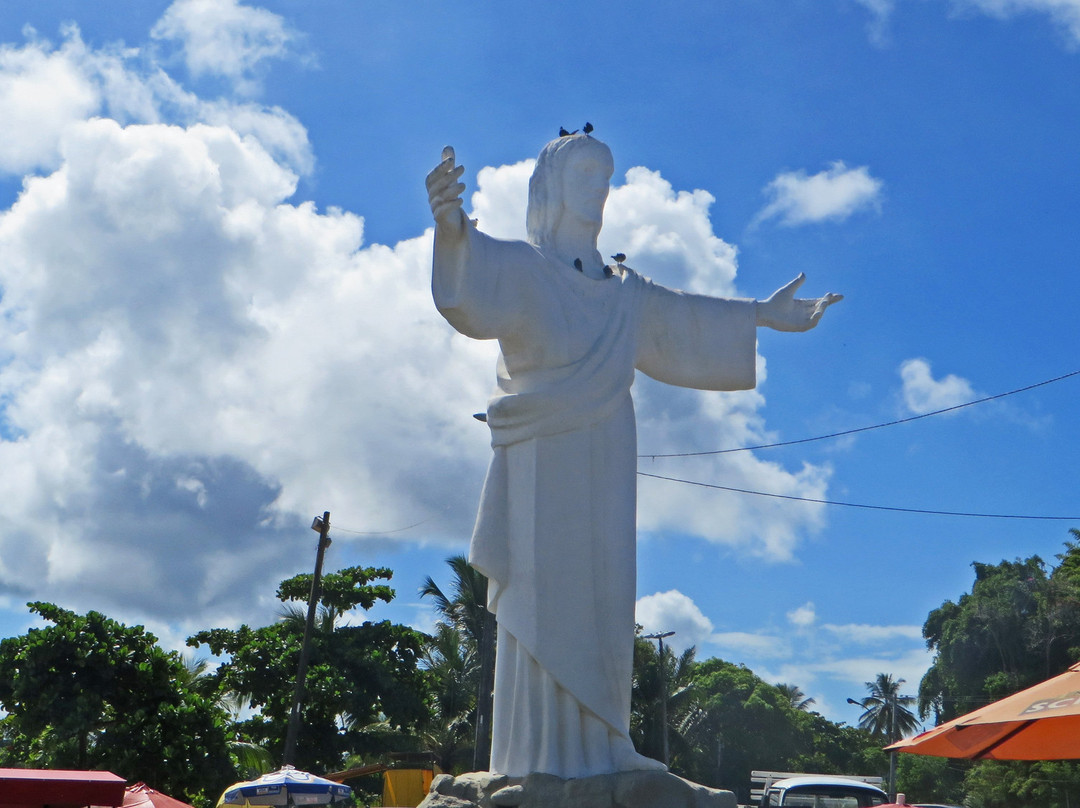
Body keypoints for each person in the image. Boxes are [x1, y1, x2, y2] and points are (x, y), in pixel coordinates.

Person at [425, 132, 841, 780]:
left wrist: (762, 315)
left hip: (609, 449)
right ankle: (534, 757)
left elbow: (684, 321)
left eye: (606, 175)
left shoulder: (624, 291)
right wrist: (451, 228)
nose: (600, 188)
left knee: (606, 598)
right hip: (543, 452)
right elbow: (468, 291)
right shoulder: (525, 269)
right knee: (544, 592)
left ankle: (603, 744)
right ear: (555, 185)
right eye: (587, 172)